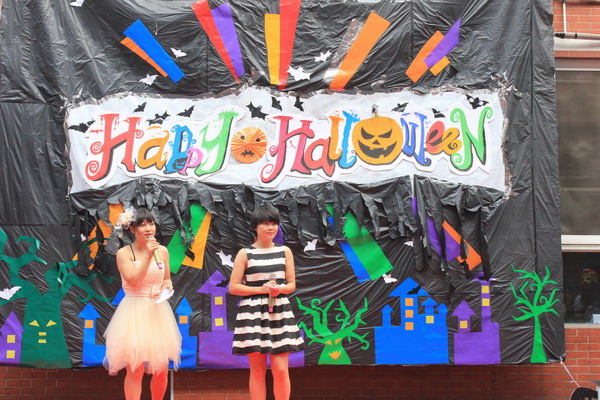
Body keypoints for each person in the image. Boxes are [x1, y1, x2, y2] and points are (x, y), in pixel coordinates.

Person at [103, 207, 182, 400]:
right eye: (142, 225)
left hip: (158, 311)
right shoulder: (124, 253)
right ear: (132, 229)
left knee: (161, 368)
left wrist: (166, 285)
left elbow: (166, 277)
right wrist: (147, 256)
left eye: (151, 224)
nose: (148, 228)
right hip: (134, 311)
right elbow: (133, 280)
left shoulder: (162, 251)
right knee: (135, 368)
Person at [229, 205, 305, 400]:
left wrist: (280, 289)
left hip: (279, 311)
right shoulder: (245, 253)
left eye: (274, 224)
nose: (271, 228)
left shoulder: (284, 251)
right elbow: (234, 287)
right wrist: (261, 290)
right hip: (252, 313)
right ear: (255, 227)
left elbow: (291, 285)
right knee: (257, 370)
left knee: (281, 369)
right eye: (265, 224)